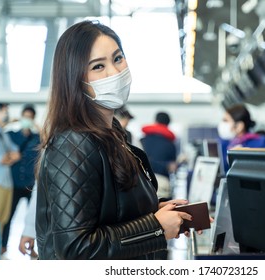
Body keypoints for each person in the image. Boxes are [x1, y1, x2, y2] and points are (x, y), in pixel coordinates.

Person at [35, 20, 194, 260]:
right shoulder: (73, 144)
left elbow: (110, 210)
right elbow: (75, 249)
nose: (115, 72)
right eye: (98, 66)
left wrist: (157, 212)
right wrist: (154, 227)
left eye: (118, 58)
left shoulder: (112, 135)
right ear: (75, 79)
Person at [0, 104, 41, 256]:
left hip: (31, 184)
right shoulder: (12, 134)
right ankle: (3, 246)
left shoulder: (38, 137)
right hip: (15, 184)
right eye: (25, 116)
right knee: (9, 217)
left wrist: (36, 126)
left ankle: (33, 248)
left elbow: (49, 139)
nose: (27, 120)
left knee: (35, 217)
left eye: (30, 117)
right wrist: (12, 120)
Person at [0, 103, 21, 242]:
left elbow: (16, 152)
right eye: (5, 111)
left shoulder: (2, 133)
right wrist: (9, 156)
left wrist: (9, 156)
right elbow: (2, 159)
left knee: (3, 219)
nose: (7, 115)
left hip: (6, 183)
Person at [217, 104, 265, 172]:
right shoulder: (228, 143)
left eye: (226, 120)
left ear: (239, 126)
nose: (222, 124)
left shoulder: (259, 143)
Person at [140, 112, 177, 199]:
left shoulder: (142, 140)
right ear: (168, 124)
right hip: (162, 182)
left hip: (143, 182)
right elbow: (172, 166)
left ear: (155, 121)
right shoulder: (170, 144)